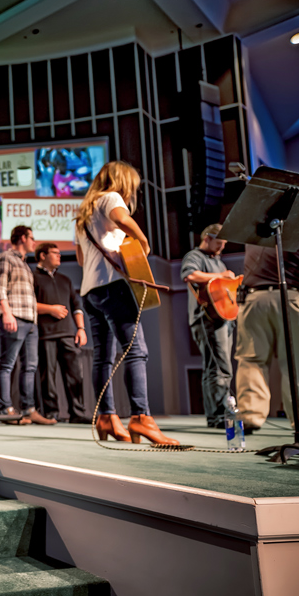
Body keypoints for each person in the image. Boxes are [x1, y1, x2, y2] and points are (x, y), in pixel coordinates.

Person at [74, 161, 178, 445]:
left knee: (103, 358)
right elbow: (122, 218)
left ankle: (106, 417)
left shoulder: (84, 215)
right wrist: (142, 242)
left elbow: (81, 260)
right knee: (136, 351)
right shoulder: (111, 198)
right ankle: (141, 417)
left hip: (90, 291)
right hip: (113, 287)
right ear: (123, 181)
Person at [0, 225, 56, 425]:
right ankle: (6, 409)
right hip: (14, 317)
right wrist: (7, 313)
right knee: (7, 364)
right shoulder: (5, 258)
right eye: (31, 238)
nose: (34, 242)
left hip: (30, 321)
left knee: (30, 367)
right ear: (21, 238)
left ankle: (28, 410)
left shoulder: (26, 265)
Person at [235, 244, 299, 432]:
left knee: (251, 360)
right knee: (295, 362)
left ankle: (250, 416)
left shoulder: (255, 226)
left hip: (253, 298)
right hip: (290, 295)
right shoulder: (295, 227)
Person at [181, 223, 237, 429]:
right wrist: (222, 276)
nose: (222, 248)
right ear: (207, 238)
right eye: (219, 243)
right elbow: (190, 275)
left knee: (214, 367)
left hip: (223, 319)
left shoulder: (218, 262)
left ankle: (216, 415)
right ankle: (219, 416)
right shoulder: (195, 256)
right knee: (220, 368)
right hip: (207, 319)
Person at [32, 242, 89, 423]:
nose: (59, 256)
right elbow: (27, 305)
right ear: (43, 255)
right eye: (55, 253)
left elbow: (76, 306)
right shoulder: (32, 277)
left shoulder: (65, 280)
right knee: (47, 377)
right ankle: (51, 413)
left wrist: (81, 329)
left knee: (75, 376)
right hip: (45, 334)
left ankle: (77, 414)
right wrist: (50, 309)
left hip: (68, 334)